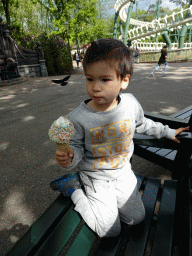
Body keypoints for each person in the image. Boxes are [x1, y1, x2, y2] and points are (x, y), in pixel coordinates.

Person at [50, 39, 189, 238]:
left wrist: (167, 131)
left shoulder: (130, 104)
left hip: (123, 174)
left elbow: (143, 124)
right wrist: (69, 157)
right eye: (90, 79)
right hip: (95, 178)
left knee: (137, 218)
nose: (95, 87)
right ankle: (74, 190)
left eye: (105, 79)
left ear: (124, 80)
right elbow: (76, 147)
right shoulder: (77, 118)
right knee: (110, 231)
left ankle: (106, 202)